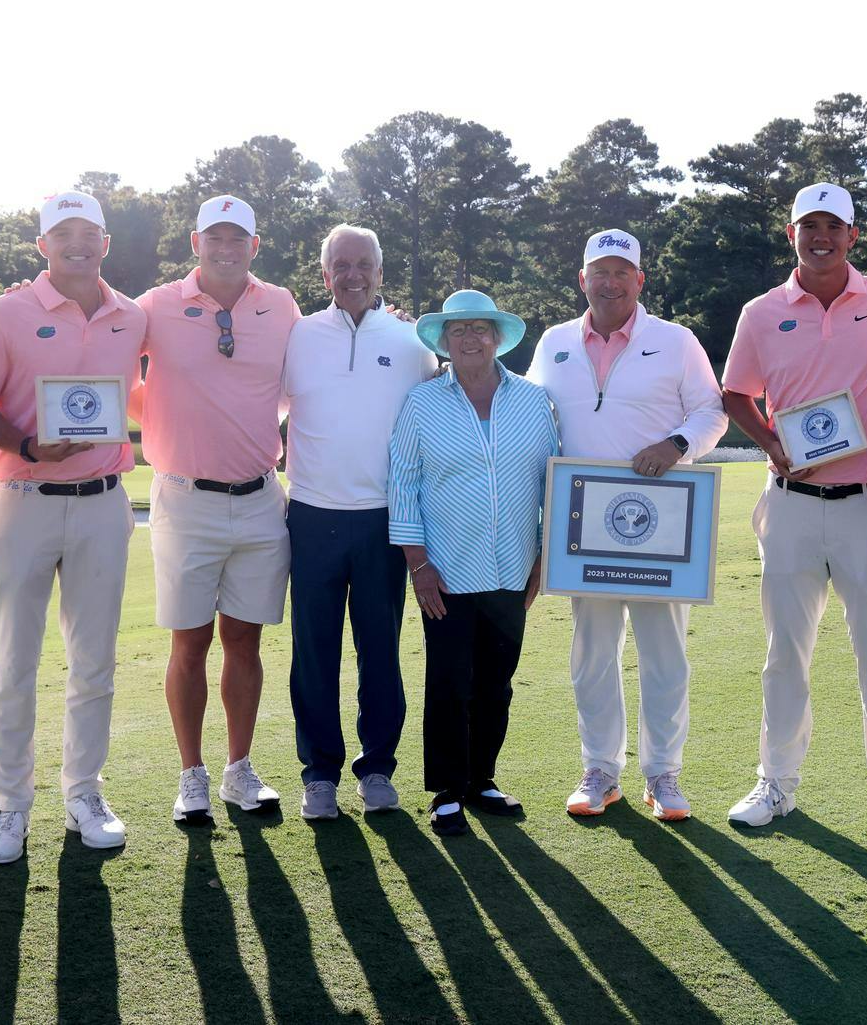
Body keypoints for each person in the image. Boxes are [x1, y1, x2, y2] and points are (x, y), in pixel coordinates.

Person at [719, 183, 867, 835]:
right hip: (791, 506)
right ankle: (776, 781)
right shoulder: (760, 311)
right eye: (809, 226)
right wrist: (772, 443)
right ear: (792, 235)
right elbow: (734, 394)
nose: (822, 237)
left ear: (853, 235)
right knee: (785, 651)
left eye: (834, 226)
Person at [0, 191, 145, 861]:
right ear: (43, 244)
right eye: (62, 233)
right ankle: (9, 806)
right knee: (14, 663)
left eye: (89, 232)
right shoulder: (4, 312)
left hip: (103, 501)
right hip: (24, 498)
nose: (77, 243)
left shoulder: (133, 314)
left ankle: (83, 792)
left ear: (104, 240)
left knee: (93, 660)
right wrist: (31, 446)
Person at [528, 228, 727, 821]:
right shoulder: (555, 342)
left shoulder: (676, 340)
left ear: (640, 280)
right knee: (593, 652)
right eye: (599, 271)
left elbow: (712, 410)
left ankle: (663, 773)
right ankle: (601, 770)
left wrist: (676, 444)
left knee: (663, 653)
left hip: (660, 523)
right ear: (581, 279)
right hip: (582, 523)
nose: (609, 281)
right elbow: (533, 414)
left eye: (622, 271)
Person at [134, 195, 298, 824]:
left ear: (254, 246)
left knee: (245, 641)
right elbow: (107, 370)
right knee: (190, 641)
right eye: (215, 237)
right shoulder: (154, 306)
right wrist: (161, 423)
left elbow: (294, 378)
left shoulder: (279, 303)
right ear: (196, 241)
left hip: (260, 499)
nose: (227, 247)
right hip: (185, 498)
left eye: (239, 239)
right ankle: (191, 774)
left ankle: (238, 769)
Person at [387, 290, 559, 837]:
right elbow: (404, 483)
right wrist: (418, 565)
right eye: (457, 330)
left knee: (496, 682)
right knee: (449, 682)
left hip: (513, 566)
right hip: (447, 571)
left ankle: (482, 779)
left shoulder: (533, 401)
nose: (468, 339)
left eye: (479, 329)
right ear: (443, 341)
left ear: (496, 337)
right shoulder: (422, 403)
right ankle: (445, 790)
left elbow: (553, 483)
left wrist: (545, 557)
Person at [280, 225, 436, 820]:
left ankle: (377, 768)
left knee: (381, 650)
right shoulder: (297, 337)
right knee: (313, 653)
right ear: (325, 276)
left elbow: (434, 422)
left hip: (383, 522)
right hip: (313, 515)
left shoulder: (410, 342)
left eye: (363, 265)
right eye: (340, 265)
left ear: (379, 273)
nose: (352, 275)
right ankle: (319, 774)